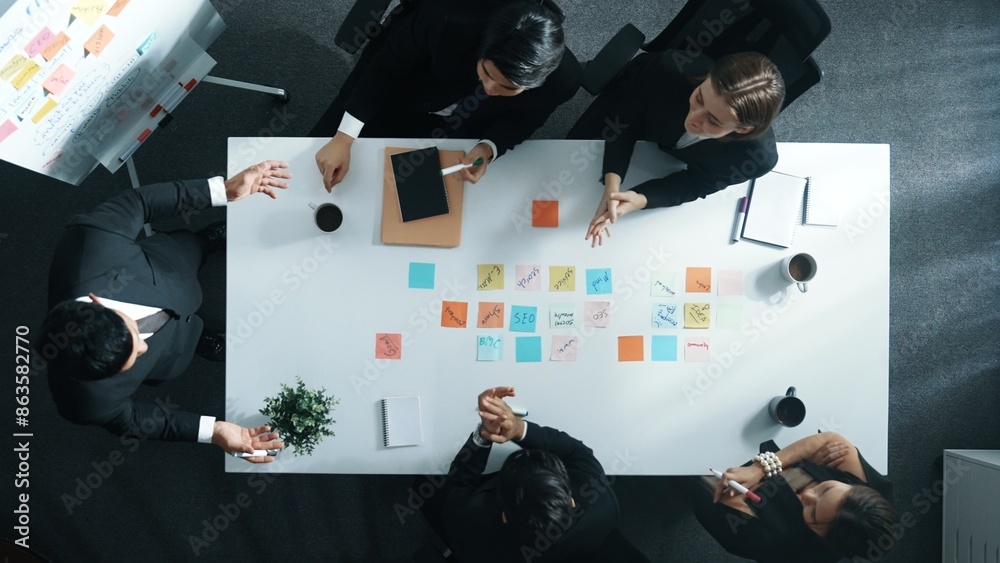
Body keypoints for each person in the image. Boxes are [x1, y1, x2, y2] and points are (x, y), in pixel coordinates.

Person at [37, 161, 292, 462]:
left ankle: (206, 241)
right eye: (134, 357)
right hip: (172, 356)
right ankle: (198, 340)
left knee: (195, 245)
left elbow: (139, 202)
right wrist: (214, 431)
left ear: (95, 300)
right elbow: (131, 421)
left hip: (172, 264)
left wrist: (222, 190)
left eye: (134, 335)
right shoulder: (83, 402)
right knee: (186, 340)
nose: (144, 345)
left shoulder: (90, 244)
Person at [311, 0, 580, 191]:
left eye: (507, 88)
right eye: (486, 72)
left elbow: (523, 121)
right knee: (320, 160)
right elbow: (385, 70)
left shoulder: (562, 82)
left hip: (462, 126)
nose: (488, 89)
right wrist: (344, 137)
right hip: (403, 89)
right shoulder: (446, 18)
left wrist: (488, 148)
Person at [567, 51, 785, 247]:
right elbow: (624, 121)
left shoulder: (756, 159)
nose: (693, 120)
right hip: (647, 114)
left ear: (743, 130)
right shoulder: (668, 70)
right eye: (700, 98)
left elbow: (698, 183)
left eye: (714, 121)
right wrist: (612, 185)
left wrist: (640, 199)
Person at [419, 387, 619, 562]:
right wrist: (518, 429)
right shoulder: (601, 503)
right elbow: (577, 452)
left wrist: (483, 436)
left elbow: (457, 484)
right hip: (569, 550)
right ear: (571, 501)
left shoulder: (471, 529)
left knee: (423, 483)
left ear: (505, 516)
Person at [688, 432, 896, 562]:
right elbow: (830, 439)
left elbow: (725, 493)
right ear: (854, 487)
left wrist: (797, 462)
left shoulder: (775, 542)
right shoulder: (873, 498)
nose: (808, 495)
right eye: (826, 489)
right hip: (759, 446)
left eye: (812, 513)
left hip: (711, 473)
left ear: (822, 537)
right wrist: (761, 470)